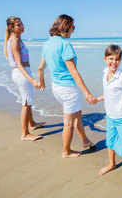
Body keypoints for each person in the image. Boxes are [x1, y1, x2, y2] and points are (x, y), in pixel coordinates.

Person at [38, 14, 96, 158]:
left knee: (77, 116)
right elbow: (74, 73)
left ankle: (85, 141)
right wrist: (87, 93)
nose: (73, 30)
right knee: (69, 123)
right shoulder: (65, 45)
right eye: (73, 27)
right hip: (68, 89)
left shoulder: (48, 43)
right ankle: (66, 151)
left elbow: (40, 68)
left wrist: (41, 81)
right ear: (66, 27)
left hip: (56, 87)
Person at [96, 44, 122, 185]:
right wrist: (97, 99)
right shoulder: (105, 74)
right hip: (110, 117)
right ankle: (112, 164)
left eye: (117, 59)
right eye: (111, 58)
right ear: (105, 59)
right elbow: (108, 94)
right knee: (110, 142)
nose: (114, 62)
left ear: (120, 60)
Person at [4, 16, 45, 141]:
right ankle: (25, 133)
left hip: (22, 73)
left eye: (22, 24)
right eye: (18, 25)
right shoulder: (14, 41)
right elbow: (19, 64)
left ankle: (32, 124)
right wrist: (32, 80)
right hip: (21, 73)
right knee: (26, 103)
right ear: (11, 28)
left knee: (27, 100)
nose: (22, 26)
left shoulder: (15, 39)